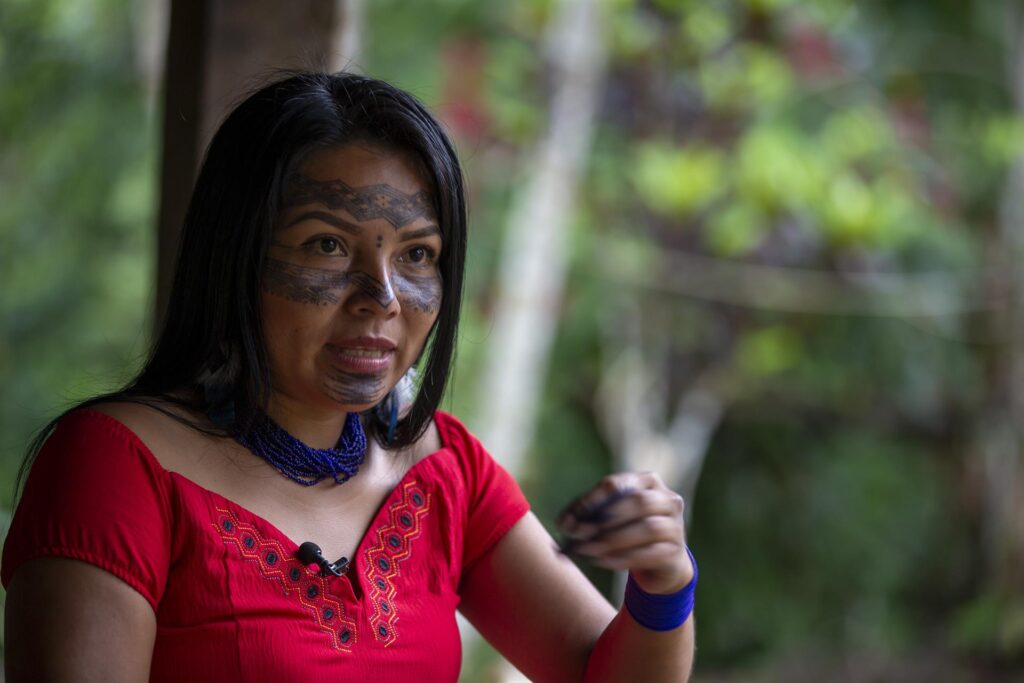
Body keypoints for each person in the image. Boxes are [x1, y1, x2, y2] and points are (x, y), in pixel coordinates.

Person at [2, 72, 696, 682]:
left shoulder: (445, 469)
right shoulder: (116, 464)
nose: (383, 297)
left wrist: (664, 583)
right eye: (327, 245)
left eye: (417, 254)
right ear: (236, 257)